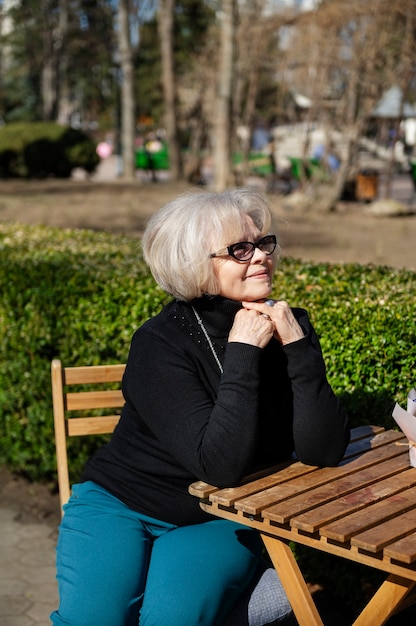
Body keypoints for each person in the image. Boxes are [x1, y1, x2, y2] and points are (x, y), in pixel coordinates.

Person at [51, 187, 350, 626]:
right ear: (194, 262)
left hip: (215, 516)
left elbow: (320, 451)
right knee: (93, 619)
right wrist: (243, 352)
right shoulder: (159, 344)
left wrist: (299, 347)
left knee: (172, 619)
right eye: (240, 249)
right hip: (120, 504)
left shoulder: (288, 324)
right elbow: (217, 457)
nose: (262, 256)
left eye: (264, 243)